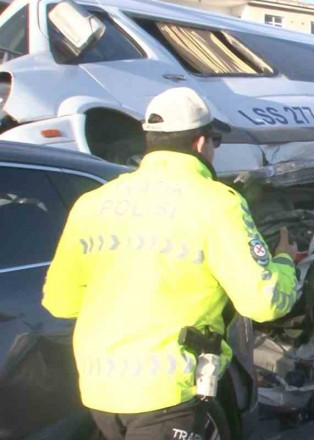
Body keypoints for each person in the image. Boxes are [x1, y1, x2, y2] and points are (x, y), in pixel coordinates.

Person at [42, 87, 299, 440]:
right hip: (171, 393)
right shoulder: (216, 203)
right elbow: (265, 303)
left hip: (101, 392)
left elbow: (60, 303)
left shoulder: (92, 203)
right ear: (200, 143)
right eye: (216, 141)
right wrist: (285, 262)